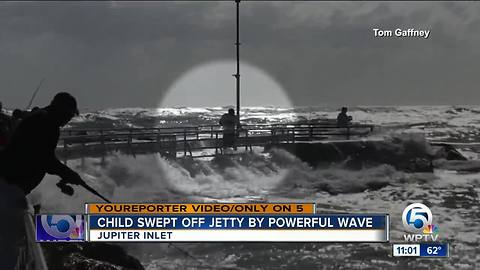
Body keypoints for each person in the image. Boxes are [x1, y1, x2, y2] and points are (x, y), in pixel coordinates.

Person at [0, 92, 83, 269]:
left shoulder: (42, 120)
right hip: (9, 186)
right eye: (69, 115)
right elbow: (43, 158)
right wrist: (67, 174)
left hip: (11, 185)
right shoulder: (46, 123)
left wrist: (65, 174)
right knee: (9, 245)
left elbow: (43, 157)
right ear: (61, 109)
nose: (68, 119)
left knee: (11, 242)